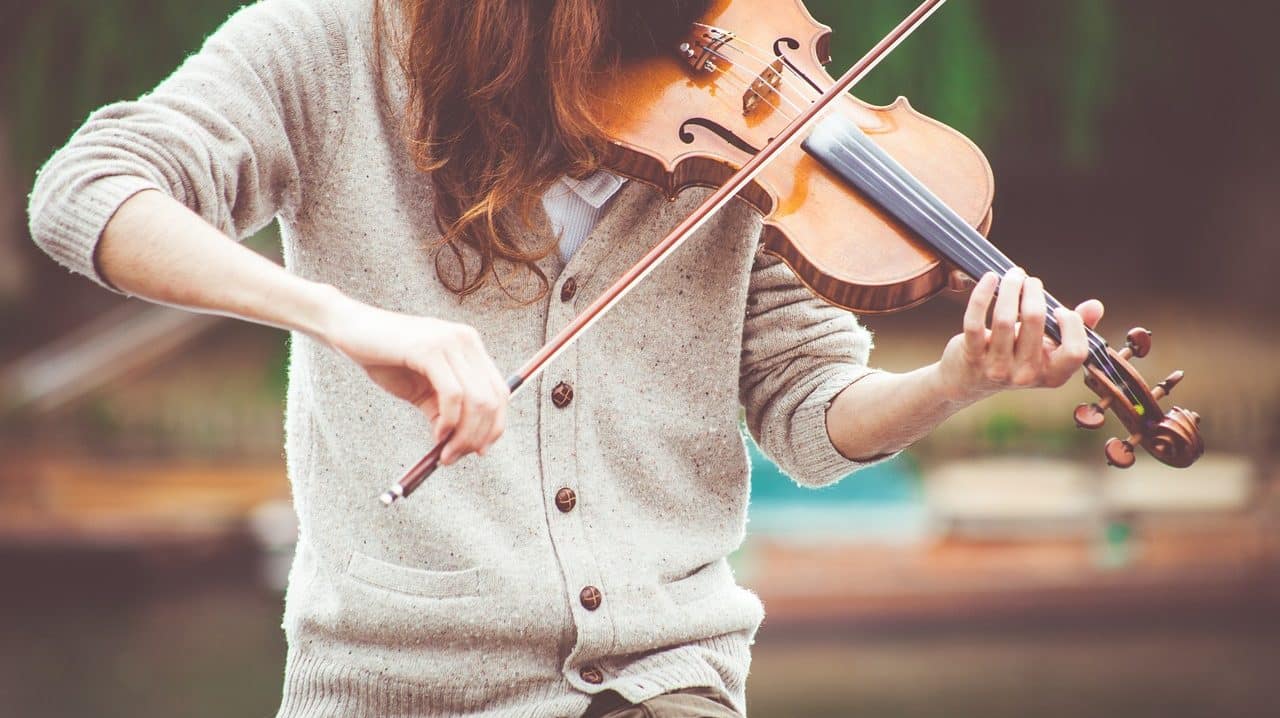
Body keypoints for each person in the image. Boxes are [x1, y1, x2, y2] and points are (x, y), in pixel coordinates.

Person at [26, 0, 1102, 716]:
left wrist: (955, 378)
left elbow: (809, 411)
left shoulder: (736, 113)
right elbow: (87, 190)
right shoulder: (323, 44)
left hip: (665, 677)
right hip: (401, 684)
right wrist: (338, 317)